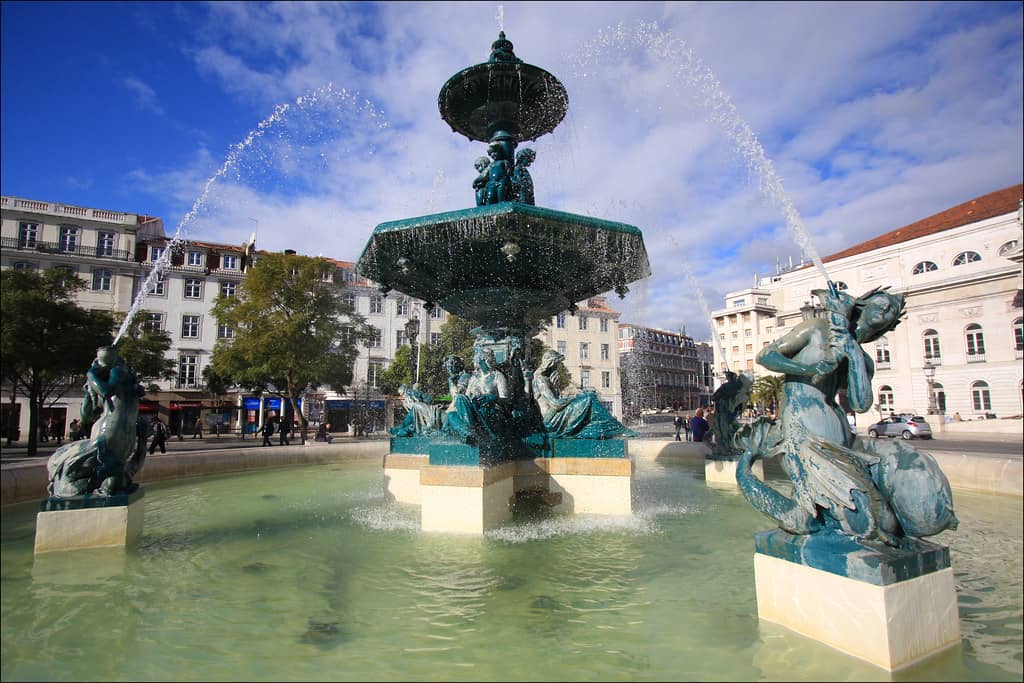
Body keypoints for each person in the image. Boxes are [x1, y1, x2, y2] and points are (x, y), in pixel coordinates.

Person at [531, 350, 635, 439]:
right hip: (551, 420)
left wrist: (555, 387)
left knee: (589, 397)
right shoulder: (541, 380)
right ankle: (617, 428)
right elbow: (555, 404)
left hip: (555, 415)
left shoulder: (546, 380)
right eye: (558, 363)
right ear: (551, 364)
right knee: (589, 398)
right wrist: (575, 397)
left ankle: (605, 428)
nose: (559, 366)